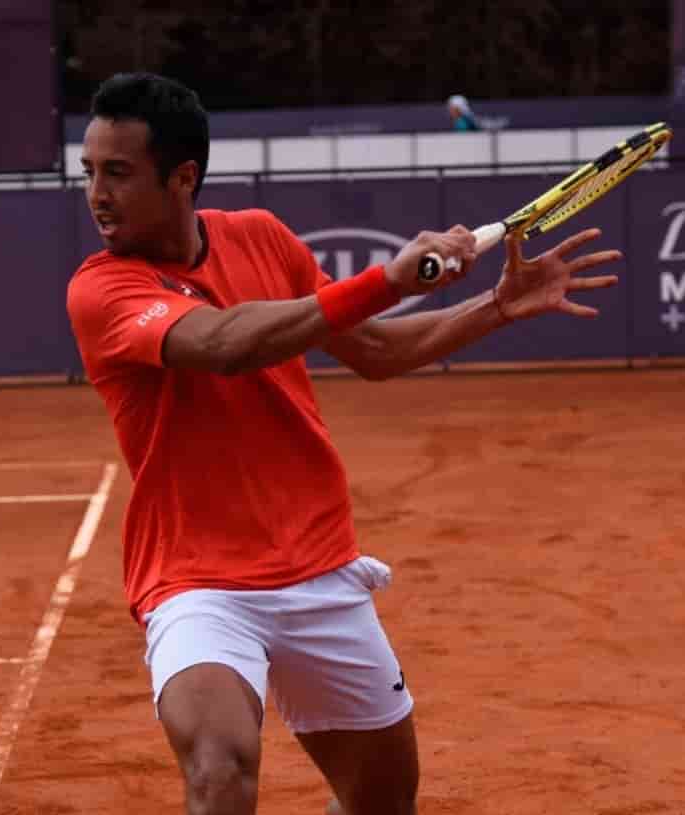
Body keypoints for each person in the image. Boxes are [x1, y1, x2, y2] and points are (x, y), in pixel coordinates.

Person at [66, 72, 620, 815]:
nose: (97, 194)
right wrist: (385, 280)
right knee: (218, 770)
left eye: (118, 173)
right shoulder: (100, 289)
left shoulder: (259, 236)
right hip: (196, 582)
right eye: (89, 173)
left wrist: (494, 306)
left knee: (382, 800)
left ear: (183, 177)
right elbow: (225, 344)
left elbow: (374, 352)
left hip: (319, 569)